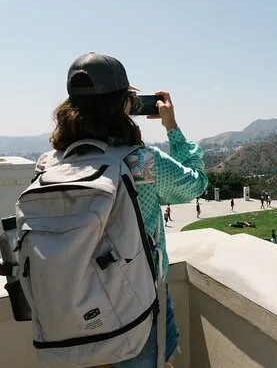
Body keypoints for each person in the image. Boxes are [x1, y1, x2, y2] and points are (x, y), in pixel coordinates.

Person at [45, 52, 208, 367]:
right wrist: (171, 126)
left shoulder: (51, 164)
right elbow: (196, 182)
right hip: (137, 305)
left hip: (72, 307)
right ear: (124, 105)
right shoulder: (141, 163)